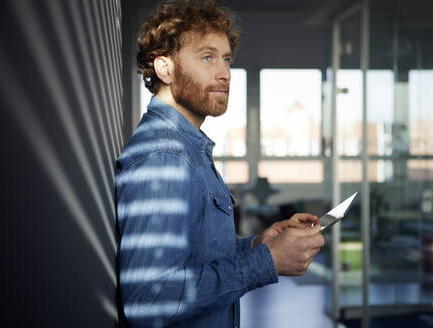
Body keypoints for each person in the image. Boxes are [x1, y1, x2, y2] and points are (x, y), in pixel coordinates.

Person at [115, 1, 325, 327]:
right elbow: (149, 300)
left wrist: (259, 245)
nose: (224, 73)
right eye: (207, 57)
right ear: (165, 68)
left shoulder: (189, 149)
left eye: (226, 59)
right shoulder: (165, 158)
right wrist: (266, 262)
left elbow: (196, 258)